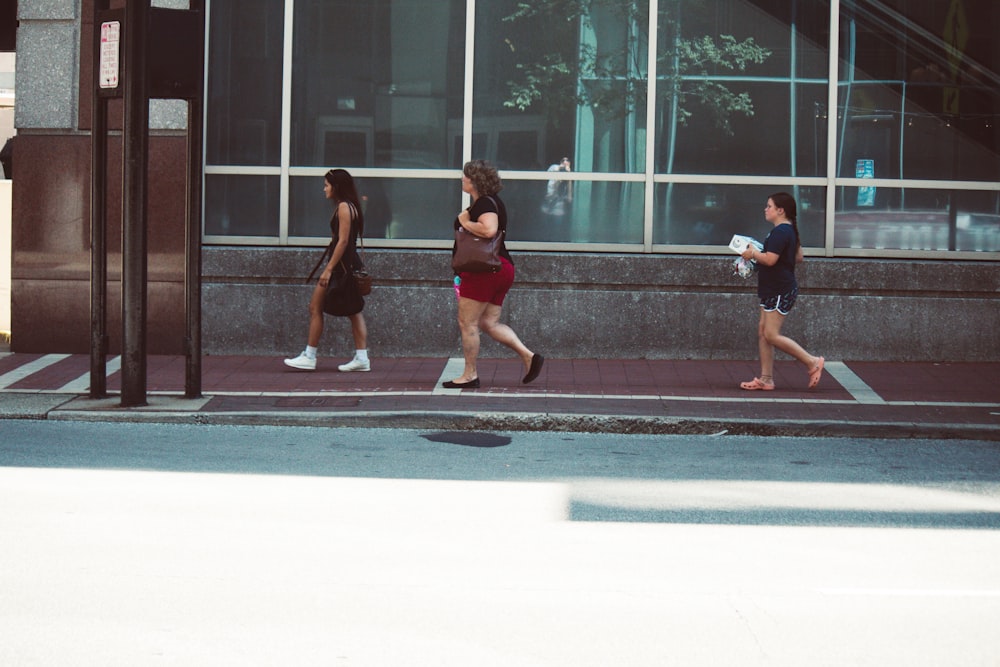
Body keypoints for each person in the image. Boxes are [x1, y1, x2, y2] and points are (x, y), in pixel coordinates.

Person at [443, 159, 543, 389]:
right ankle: (529, 357)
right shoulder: (490, 202)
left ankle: (469, 375)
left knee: (467, 322)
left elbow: (489, 230)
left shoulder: (484, 205)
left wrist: (464, 222)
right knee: (489, 322)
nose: (462, 179)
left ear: (475, 181)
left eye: (465, 176)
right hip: (501, 268)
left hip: (484, 271)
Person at [284, 168, 370, 372]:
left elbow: (343, 241)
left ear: (336, 187)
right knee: (353, 312)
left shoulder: (343, 207)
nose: (324, 189)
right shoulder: (351, 206)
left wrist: (328, 269)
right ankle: (361, 358)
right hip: (346, 265)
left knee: (317, 307)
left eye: (326, 185)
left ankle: (310, 355)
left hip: (341, 267)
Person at [739, 192, 824, 390]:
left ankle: (812, 362)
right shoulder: (788, 231)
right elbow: (798, 256)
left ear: (780, 210)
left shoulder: (780, 232)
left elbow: (770, 260)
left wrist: (753, 253)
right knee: (763, 332)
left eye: (769, 206)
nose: (765, 209)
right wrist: (766, 254)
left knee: (771, 334)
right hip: (773, 288)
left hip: (779, 289)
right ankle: (766, 379)